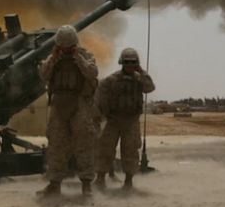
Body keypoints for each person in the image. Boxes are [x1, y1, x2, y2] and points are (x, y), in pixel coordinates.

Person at [37, 25, 98, 197]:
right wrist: (54, 58)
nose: (65, 49)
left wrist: (78, 57)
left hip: (79, 104)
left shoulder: (85, 56)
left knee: (84, 143)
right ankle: (54, 184)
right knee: (56, 144)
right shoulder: (54, 58)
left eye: (68, 46)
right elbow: (43, 74)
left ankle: (86, 184)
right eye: (62, 46)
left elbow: (92, 73)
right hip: (58, 105)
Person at [94, 47, 155, 190]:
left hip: (131, 121)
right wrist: (103, 113)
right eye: (127, 62)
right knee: (105, 149)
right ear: (122, 62)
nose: (129, 65)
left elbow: (150, 88)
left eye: (133, 62)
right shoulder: (112, 80)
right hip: (113, 120)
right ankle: (100, 178)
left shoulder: (140, 79)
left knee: (130, 151)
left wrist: (141, 71)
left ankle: (128, 182)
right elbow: (100, 94)